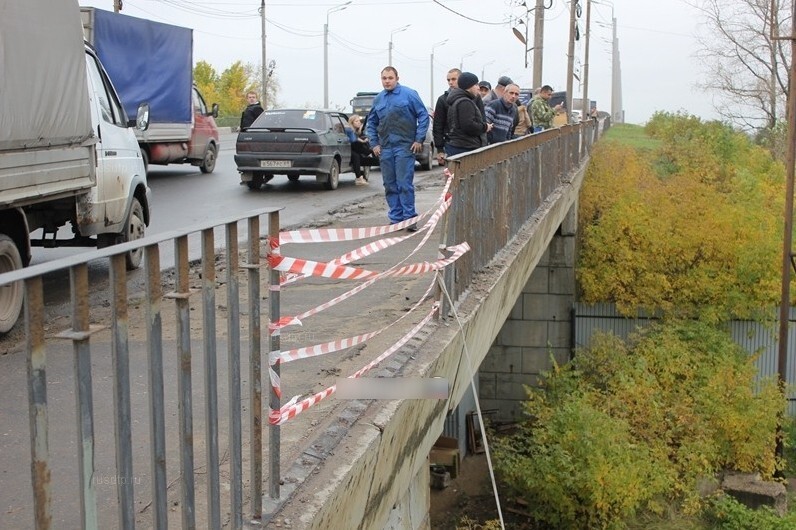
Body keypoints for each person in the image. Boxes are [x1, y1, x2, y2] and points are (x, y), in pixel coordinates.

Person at [365, 67, 430, 231]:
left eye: (390, 78)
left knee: (404, 184)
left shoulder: (409, 94)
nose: (387, 81)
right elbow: (371, 123)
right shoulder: (379, 99)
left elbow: (423, 115)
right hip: (386, 148)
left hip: (404, 146)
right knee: (389, 185)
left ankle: (409, 219)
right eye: (384, 78)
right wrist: (374, 144)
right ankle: (396, 219)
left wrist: (418, 139)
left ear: (397, 78)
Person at [443, 72, 492, 157]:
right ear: (469, 86)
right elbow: (468, 126)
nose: (478, 88)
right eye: (476, 85)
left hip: (459, 146)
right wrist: (485, 127)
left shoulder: (457, 100)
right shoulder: (465, 102)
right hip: (465, 147)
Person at [432, 68, 461, 167]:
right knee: (451, 176)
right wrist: (440, 149)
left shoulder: (470, 98)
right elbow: (438, 125)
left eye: (453, 79)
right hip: (450, 143)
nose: (450, 82)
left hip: (468, 144)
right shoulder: (443, 100)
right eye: (448, 80)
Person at [346, 114, 374, 186]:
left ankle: (359, 177)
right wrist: (363, 141)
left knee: (357, 155)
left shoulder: (354, 130)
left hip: (351, 150)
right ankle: (371, 152)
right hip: (346, 150)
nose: (359, 122)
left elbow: (357, 137)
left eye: (359, 121)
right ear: (352, 123)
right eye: (356, 121)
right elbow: (353, 140)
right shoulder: (349, 129)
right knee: (358, 151)